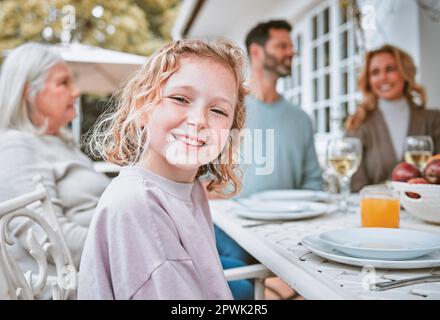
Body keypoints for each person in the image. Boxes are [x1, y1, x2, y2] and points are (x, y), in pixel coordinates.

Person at [77, 39, 248, 300]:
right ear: (142, 108)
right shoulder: (139, 206)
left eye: (218, 110)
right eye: (180, 99)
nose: (199, 120)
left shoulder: (189, 190)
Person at [214, 20, 322, 295]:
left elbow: (313, 182)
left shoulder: (301, 119)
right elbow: (203, 180)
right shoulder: (226, 109)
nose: (291, 52)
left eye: (291, 46)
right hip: (234, 232)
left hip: (290, 234)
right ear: (257, 51)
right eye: (282, 45)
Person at [0, 43, 110, 275]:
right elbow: (46, 237)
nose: (76, 92)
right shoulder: (15, 146)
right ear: (28, 93)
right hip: (79, 283)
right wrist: (126, 247)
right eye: (63, 83)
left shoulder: (63, 144)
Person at [346, 44, 440, 192]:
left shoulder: (434, 120)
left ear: (405, 73)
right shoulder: (359, 124)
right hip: (378, 210)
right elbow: (357, 187)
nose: (383, 77)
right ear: (369, 80)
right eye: (375, 72)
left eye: (390, 69)